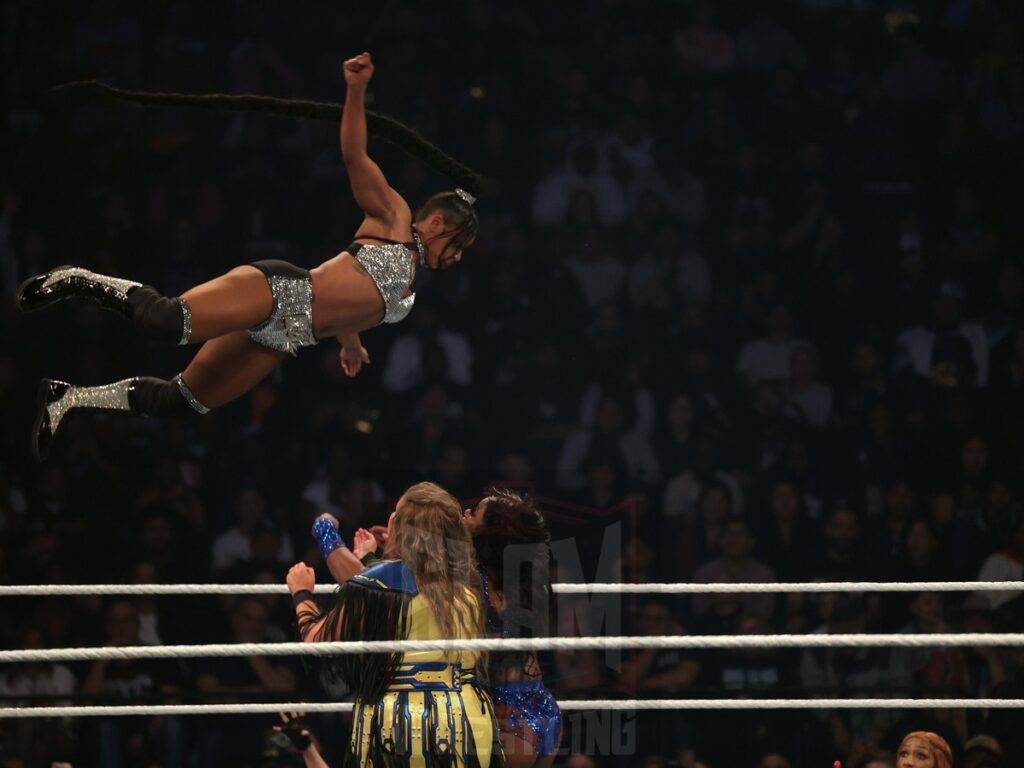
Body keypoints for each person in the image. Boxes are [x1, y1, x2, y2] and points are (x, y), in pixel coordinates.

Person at [18, 52, 480, 460]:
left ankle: (69, 398)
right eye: (458, 245)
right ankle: (77, 278)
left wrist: (351, 341)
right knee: (166, 321)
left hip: (284, 336)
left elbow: (352, 301)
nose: (457, 258)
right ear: (438, 222)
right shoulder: (395, 218)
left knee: (181, 402)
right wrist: (356, 90)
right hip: (279, 291)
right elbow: (355, 155)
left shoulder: (410, 280)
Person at [316, 488, 561, 768]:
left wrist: (325, 532)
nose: (465, 512)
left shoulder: (465, 578)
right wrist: (402, 549)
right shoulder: (521, 579)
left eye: (474, 512)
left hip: (501, 718)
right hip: (543, 713)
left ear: (489, 533)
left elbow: (364, 587)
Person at [287, 482, 501, 768]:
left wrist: (301, 593)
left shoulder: (384, 582)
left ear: (401, 526)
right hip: (467, 718)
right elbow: (395, 594)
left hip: (401, 723)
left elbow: (318, 641)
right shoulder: (466, 581)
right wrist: (372, 559)